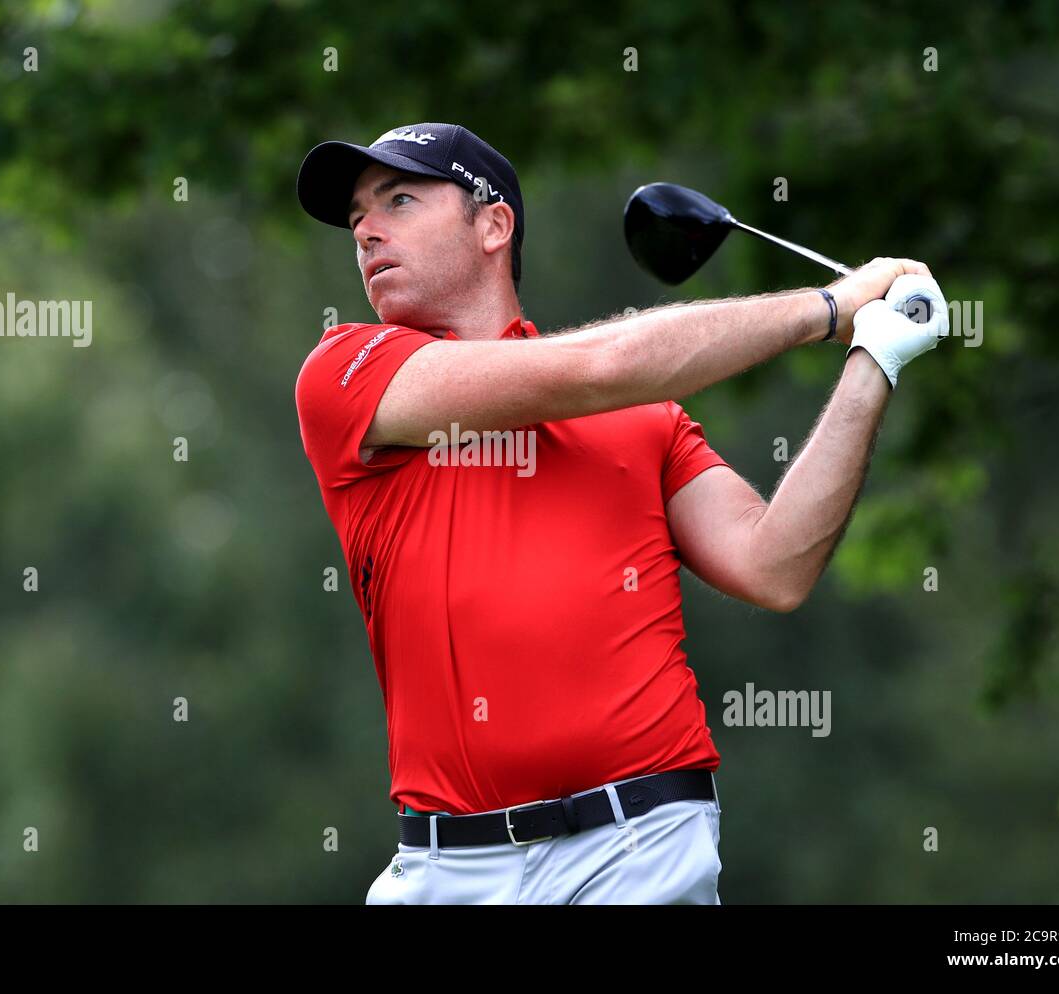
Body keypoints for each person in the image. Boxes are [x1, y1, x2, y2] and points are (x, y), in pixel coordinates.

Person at [293, 122, 947, 904]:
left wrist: (874, 357)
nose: (366, 229)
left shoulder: (647, 421)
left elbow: (774, 565)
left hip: (641, 847)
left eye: (399, 199)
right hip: (445, 870)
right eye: (358, 215)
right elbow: (600, 367)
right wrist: (826, 307)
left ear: (493, 224)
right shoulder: (349, 372)